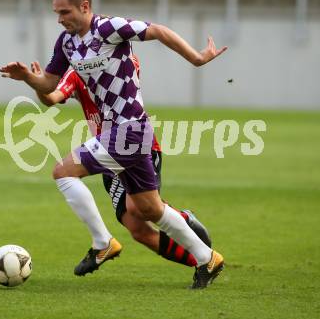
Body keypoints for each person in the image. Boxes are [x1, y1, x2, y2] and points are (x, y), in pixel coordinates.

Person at [0, 0, 227, 289]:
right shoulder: (66, 43)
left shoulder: (109, 28)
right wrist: (27, 77)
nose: (60, 19)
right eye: (56, 12)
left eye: (65, 12)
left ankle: (102, 242)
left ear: (85, 6)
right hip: (121, 133)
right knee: (150, 210)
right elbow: (50, 86)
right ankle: (208, 259)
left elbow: (158, 30)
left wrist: (197, 59)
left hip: (130, 128)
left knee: (63, 172)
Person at [33, 56, 212, 274]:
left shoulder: (124, 60)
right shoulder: (77, 72)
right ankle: (202, 263)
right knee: (138, 230)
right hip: (107, 154)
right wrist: (36, 83)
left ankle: (180, 223)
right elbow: (52, 97)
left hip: (137, 146)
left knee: (140, 208)